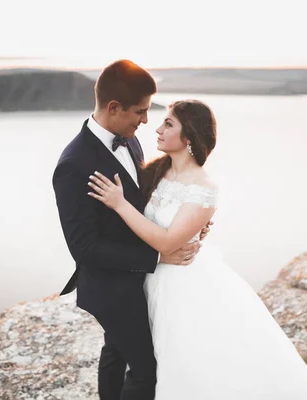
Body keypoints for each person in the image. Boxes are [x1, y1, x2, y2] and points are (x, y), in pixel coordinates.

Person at [87, 99, 307, 399]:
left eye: (169, 124)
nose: (157, 129)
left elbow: (167, 242)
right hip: (142, 277)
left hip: (180, 286)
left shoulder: (204, 187)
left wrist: (119, 204)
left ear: (189, 139)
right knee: (121, 351)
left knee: (173, 365)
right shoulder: (155, 171)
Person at [52, 59, 210, 400]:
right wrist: (159, 257)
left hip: (139, 280)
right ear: (114, 107)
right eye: (139, 112)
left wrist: (193, 224)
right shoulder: (73, 165)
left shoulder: (129, 139)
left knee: (116, 352)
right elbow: (85, 249)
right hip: (112, 287)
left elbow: (151, 197)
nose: (145, 120)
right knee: (148, 371)